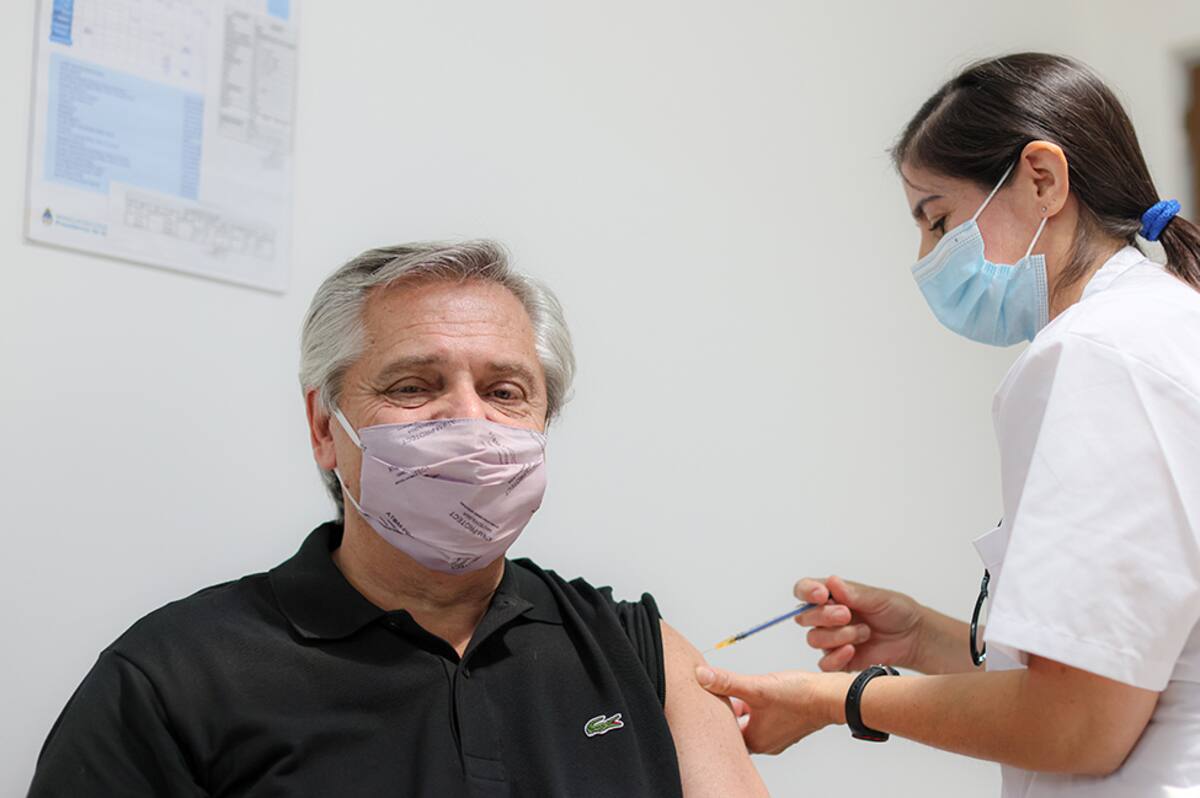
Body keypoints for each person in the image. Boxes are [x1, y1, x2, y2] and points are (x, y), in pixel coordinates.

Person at [28, 241, 767, 797]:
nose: (469, 422)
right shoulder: (172, 679)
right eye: (414, 386)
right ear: (325, 427)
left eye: (505, 392)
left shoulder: (637, 652)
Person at [695, 53, 1200, 796]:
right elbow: (1126, 667)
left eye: (938, 220)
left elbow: (1078, 723)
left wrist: (837, 699)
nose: (927, 258)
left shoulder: (1097, 355)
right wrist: (925, 638)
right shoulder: (1163, 326)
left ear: (1042, 179)